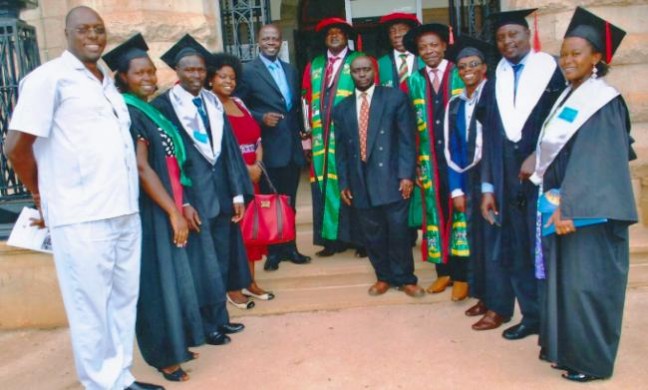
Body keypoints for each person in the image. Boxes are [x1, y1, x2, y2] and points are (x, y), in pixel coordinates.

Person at [4, 6, 162, 390]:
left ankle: (121, 376)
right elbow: (16, 147)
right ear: (67, 33)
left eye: (99, 29)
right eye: (83, 30)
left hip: (123, 210)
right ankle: (100, 384)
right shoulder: (49, 79)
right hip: (81, 215)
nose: (93, 36)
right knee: (90, 306)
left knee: (122, 300)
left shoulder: (106, 81)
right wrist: (41, 193)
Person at [531, 7, 636, 382]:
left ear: (597, 57)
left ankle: (591, 361)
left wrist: (569, 208)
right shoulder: (571, 95)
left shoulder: (602, 100)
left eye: (576, 53)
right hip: (564, 205)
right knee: (567, 285)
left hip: (588, 213)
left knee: (587, 285)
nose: (568, 60)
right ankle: (567, 351)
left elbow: (598, 160)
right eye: (564, 54)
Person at [102, 33, 206, 382]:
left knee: (174, 280)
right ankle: (163, 356)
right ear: (122, 78)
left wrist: (184, 203)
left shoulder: (149, 109)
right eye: (139, 74)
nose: (148, 78)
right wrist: (172, 212)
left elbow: (173, 162)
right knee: (154, 285)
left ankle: (177, 345)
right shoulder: (126, 111)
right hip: (149, 212)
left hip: (169, 204)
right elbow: (143, 167)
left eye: (150, 72)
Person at [475, 9, 565, 338]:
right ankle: (531, 316)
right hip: (505, 180)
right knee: (516, 249)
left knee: (544, 249)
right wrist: (487, 187)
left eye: (513, 35)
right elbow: (491, 139)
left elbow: (565, 126)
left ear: (528, 35)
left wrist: (538, 156)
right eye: (500, 38)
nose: (507, 42)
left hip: (545, 179)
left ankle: (554, 319)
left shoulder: (553, 72)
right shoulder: (495, 79)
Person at [152, 34, 249, 337]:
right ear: (177, 71)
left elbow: (230, 151)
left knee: (219, 261)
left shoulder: (213, 102)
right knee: (198, 266)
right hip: (192, 198)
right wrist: (181, 203)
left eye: (200, 69)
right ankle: (204, 326)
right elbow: (164, 160)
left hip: (220, 196)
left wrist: (236, 193)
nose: (195, 75)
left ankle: (219, 318)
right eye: (188, 69)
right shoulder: (165, 106)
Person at [333, 55, 423, 298]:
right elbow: (340, 150)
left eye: (366, 70)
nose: (361, 74)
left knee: (398, 232)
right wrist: (343, 182)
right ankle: (383, 277)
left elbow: (407, 140)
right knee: (372, 235)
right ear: (350, 74)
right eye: (356, 71)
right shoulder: (341, 108)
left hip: (392, 178)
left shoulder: (394, 98)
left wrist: (406, 175)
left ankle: (406, 279)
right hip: (360, 181)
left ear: (374, 71)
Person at [236, 23, 311, 271]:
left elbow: (294, 106)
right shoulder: (248, 72)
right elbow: (239, 106)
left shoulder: (291, 70)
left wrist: (303, 131)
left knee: (289, 202)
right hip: (267, 148)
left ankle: (291, 248)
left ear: (281, 42)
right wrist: (260, 118)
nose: (271, 42)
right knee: (270, 201)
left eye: (275, 38)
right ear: (259, 41)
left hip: (291, 148)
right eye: (266, 38)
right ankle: (273, 252)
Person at [402, 23, 466, 299]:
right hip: (428, 159)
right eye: (423, 47)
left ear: (444, 46)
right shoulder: (412, 82)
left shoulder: (460, 74)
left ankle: (464, 273)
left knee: (459, 211)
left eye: (433, 45)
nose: (429, 51)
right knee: (435, 211)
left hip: (460, 160)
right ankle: (444, 272)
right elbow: (406, 128)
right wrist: (413, 162)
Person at [207, 52, 276, 305]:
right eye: (222, 76)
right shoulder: (209, 106)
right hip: (230, 179)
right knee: (232, 233)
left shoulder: (240, 103)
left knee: (251, 232)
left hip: (253, 175)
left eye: (232, 77)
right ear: (211, 78)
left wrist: (257, 163)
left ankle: (250, 282)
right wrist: (244, 170)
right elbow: (217, 147)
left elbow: (257, 138)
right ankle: (231, 286)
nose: (229, 81)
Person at [302, 17, 367, 258]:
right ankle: (332, 240)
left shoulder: (358, 61)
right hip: (321, 139)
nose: (335, 35)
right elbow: (306, 101)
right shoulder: (315, 64)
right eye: (330, 33)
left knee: (355, 184)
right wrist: (306, 139)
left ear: (346, 36)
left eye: (339, 32)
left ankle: (361, 240)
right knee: (325, 185)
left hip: (351, 135)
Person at [443, 37, 494, 305]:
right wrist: (456, 188)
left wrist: (490, 185)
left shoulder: (495, 97)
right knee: (475, 239)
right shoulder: (456, 104)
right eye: (462, 67)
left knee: (493, 244)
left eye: (473, 64)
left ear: (484, 68)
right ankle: (481, 296)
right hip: (467, 180)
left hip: (494, 182)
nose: (467, 70)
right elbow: (452, 151)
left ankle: (495, 301)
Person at [377, 12, 423, 92]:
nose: (397, 34)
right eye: (392, 31)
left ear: (412, 33)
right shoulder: (379, 64)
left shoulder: (424, 60)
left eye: (402, 30)